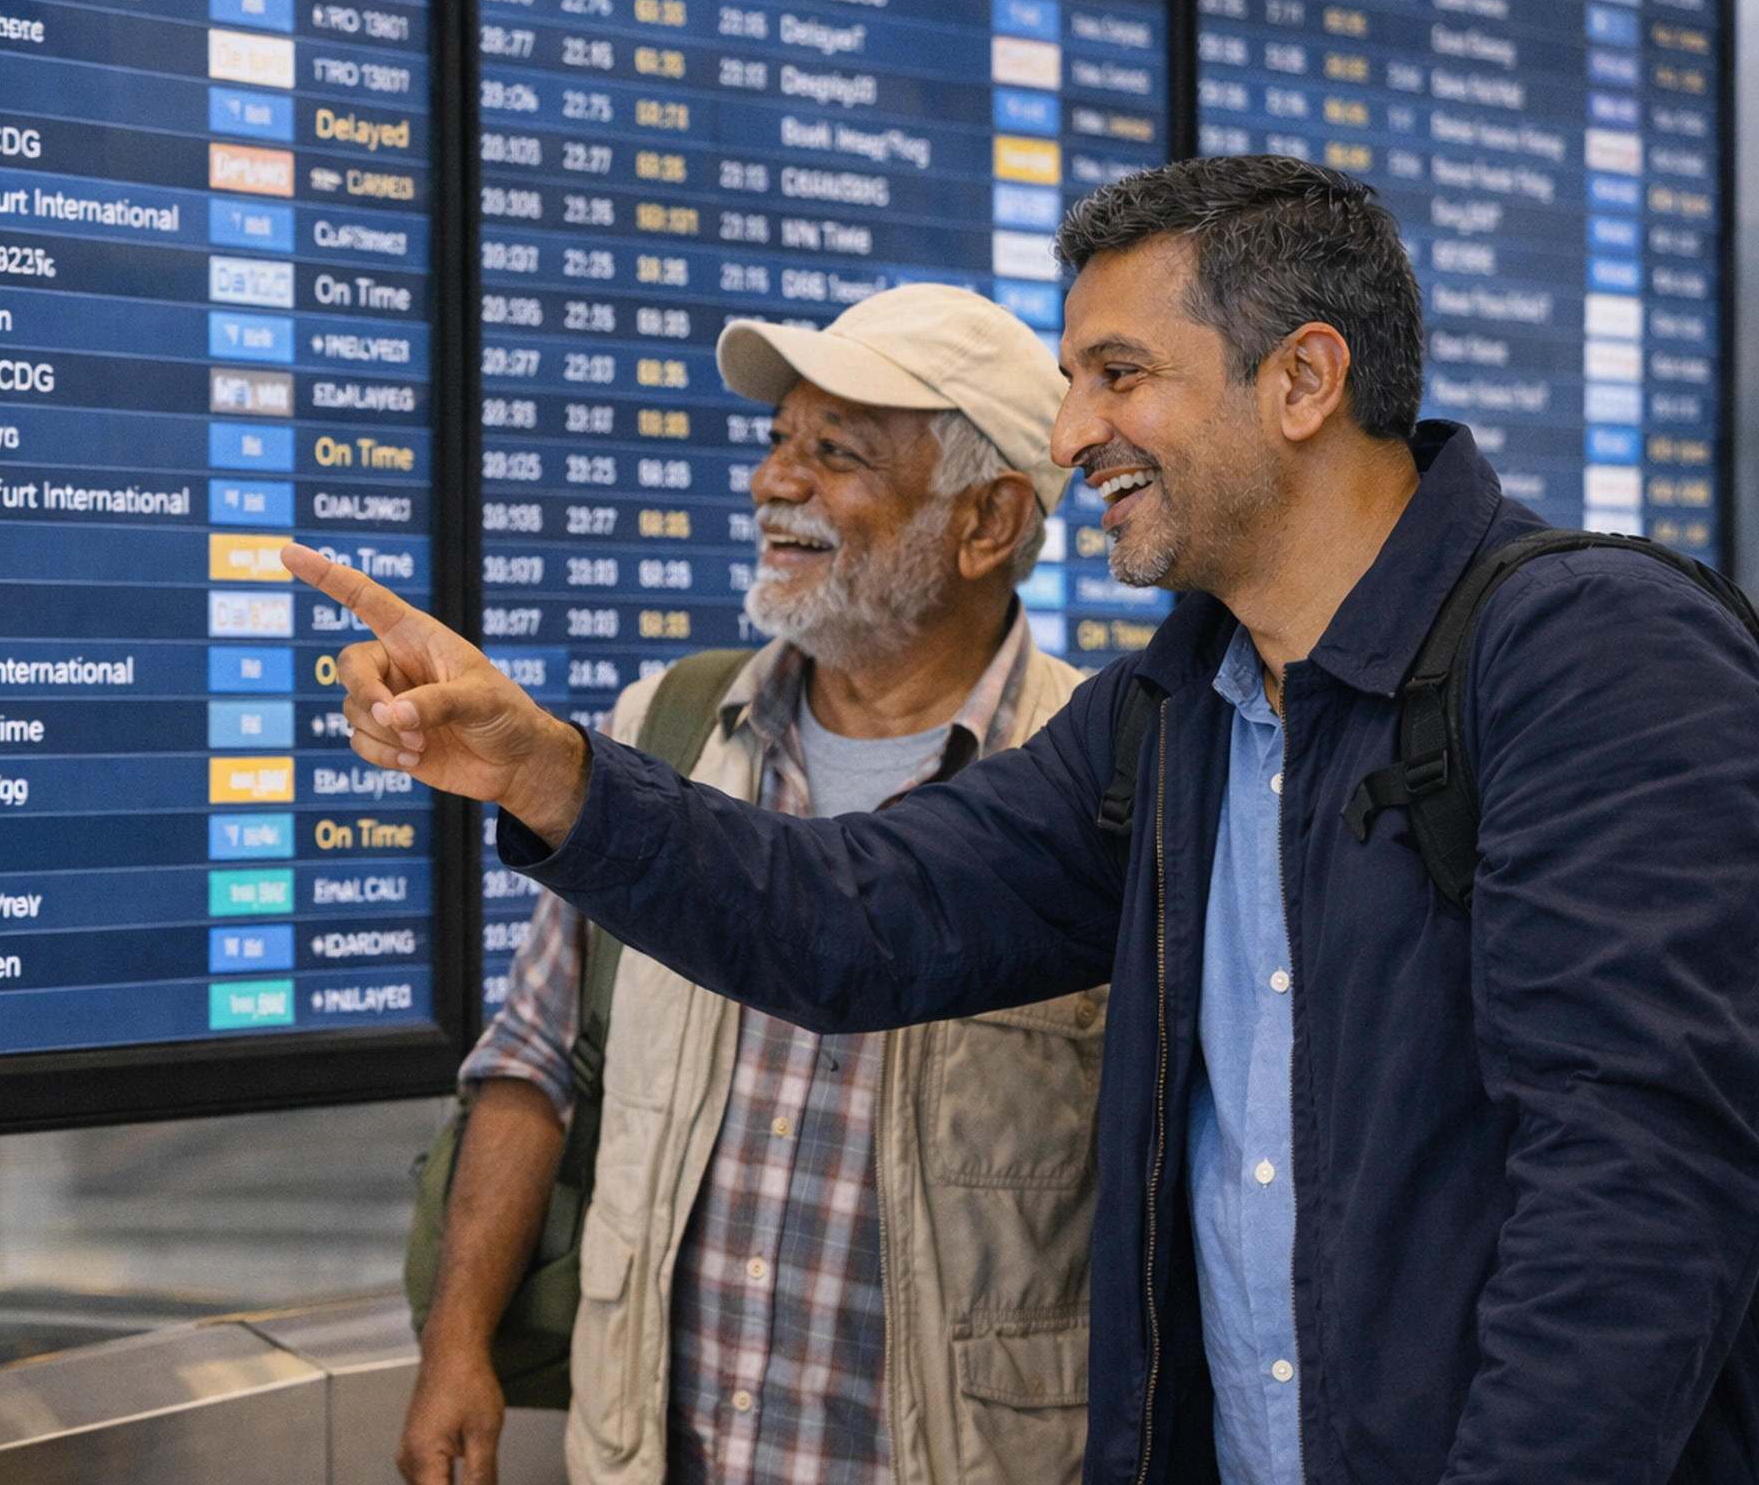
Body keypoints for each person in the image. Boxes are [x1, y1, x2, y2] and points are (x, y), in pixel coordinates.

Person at [287, 157, 1759, 1483]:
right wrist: (546, 770)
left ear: (1304, 381)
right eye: (1069, 380)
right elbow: (854, 916)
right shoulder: (1173, 716)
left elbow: (1636, 1203)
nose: (1070, 433)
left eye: (1119, 375)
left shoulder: (1586, 654)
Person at [400, 285, 1103, 1485]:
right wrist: (457, 1340)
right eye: (782, 442)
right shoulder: (663, 736)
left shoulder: (1101, 784)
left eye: (837, 453)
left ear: (987, 522)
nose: (779, 483)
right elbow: (534, 1059)